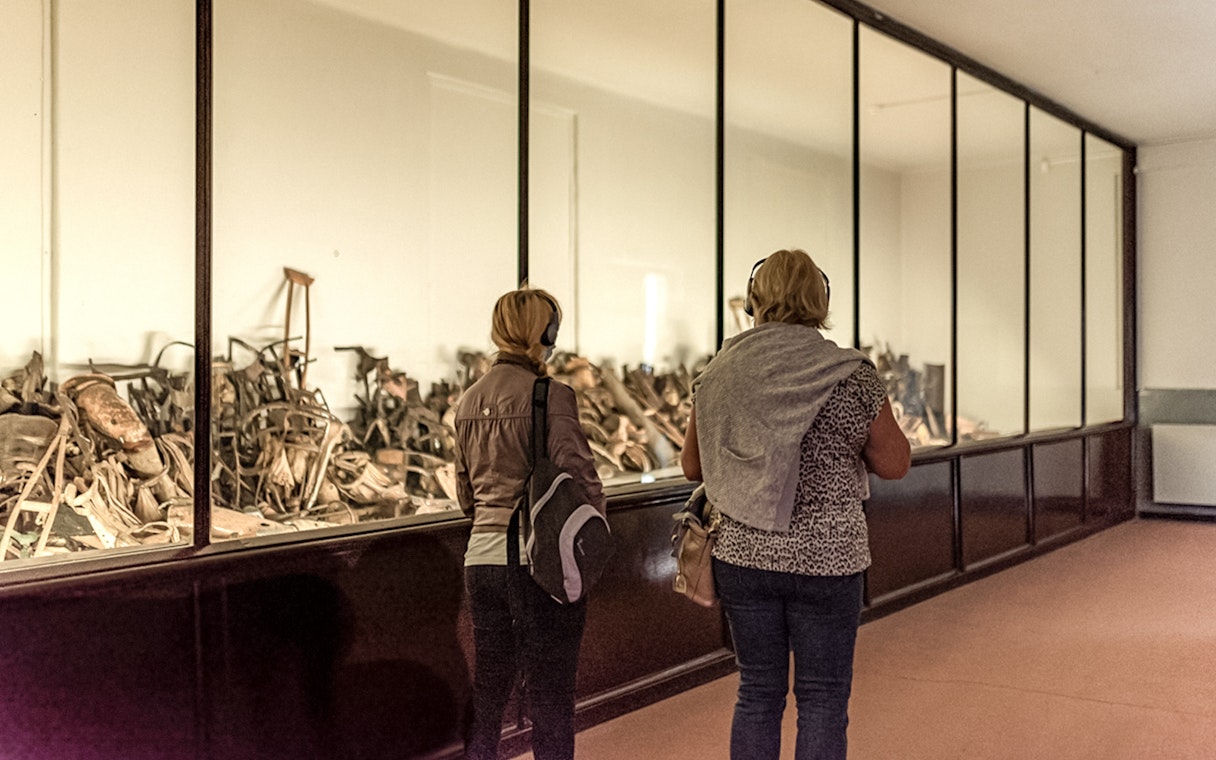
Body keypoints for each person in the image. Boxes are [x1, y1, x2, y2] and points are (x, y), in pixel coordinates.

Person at [681, 249, 910, 760]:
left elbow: (693, 466)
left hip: (742, 555)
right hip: (827, 560)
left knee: (758, 694)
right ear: (821, 300)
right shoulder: (850, 374)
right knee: (824, 699)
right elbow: (895, 463)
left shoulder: (719, 371)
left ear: (754, 301)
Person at [454, 286, 607, 760]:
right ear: (546, 332)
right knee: (551, 695)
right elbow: (581, 477)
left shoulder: (467, 400)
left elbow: (465, 496)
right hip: (539, 564)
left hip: (481, 561)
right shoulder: (551, 395)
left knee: (489, 687)